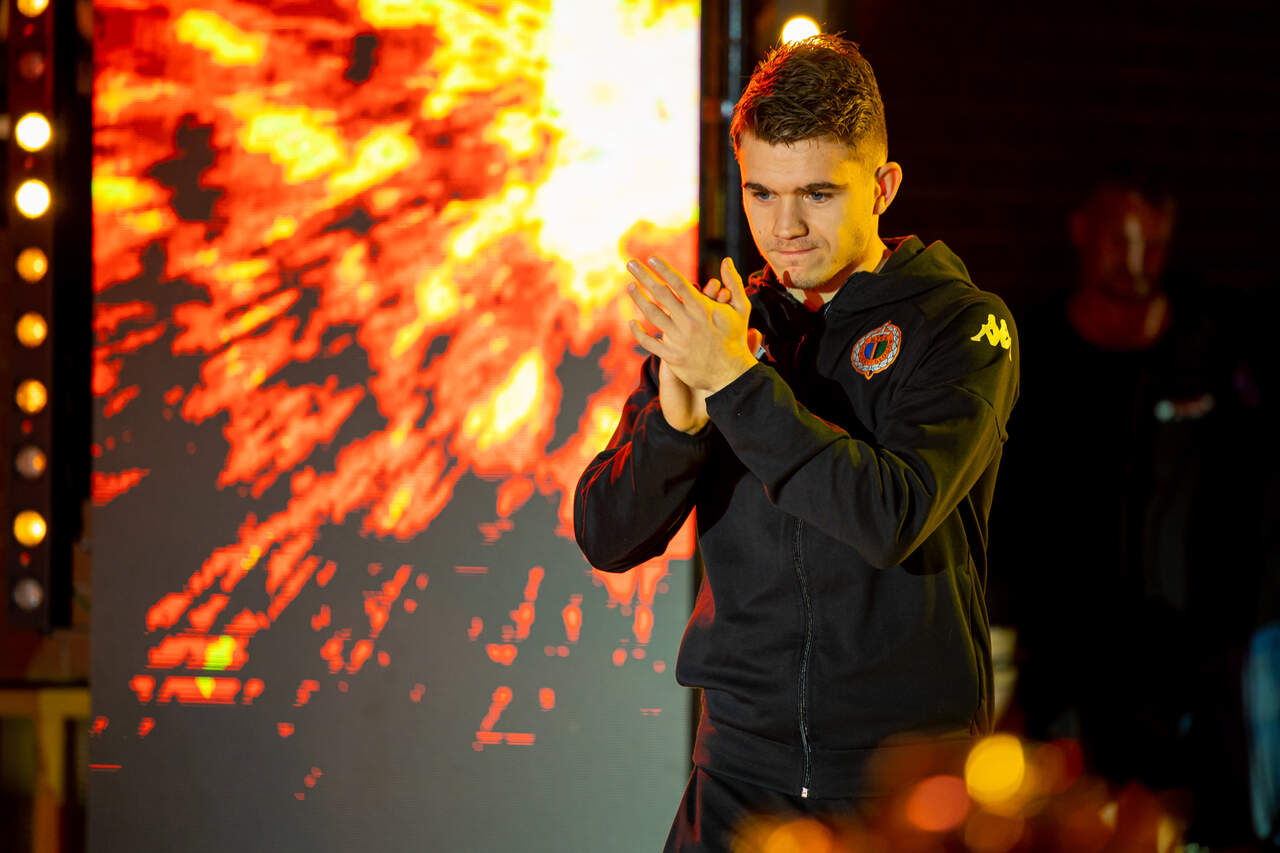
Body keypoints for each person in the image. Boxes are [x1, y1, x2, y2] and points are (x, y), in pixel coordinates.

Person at [573, 35, 1019, 851]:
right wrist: (676, 426)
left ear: (882, 187)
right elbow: (607, 535)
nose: (785, 227)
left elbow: (891, 514)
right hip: (737, 774)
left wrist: (737, 384)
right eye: (761, 192)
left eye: (817, 193)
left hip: (902, 784)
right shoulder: (728, 324)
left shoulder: (960, 324)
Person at [989, 178, 1271, 848]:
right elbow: (1003, 514)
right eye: (1121, 239)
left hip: (1196, 677)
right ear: (1082, 232)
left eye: (1154, 243)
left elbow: (1253, 502)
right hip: (1066, 669)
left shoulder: (1210, 351)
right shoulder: (1035, 356)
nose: (1137, 260)